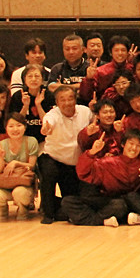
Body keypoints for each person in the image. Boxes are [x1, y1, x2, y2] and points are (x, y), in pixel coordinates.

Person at [63, 129, 140, 226]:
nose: (134, 148)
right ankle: (101, 220)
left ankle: (89, 219)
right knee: (67, 202)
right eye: (131, 143)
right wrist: (91, 152)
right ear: (123, 144)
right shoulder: (108, 163)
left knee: (121, 205)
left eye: (138, 145)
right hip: (106, 200)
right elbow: (83, 172)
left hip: (126, 203)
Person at [38, 85, 93, 223]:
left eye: (70, 98)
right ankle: (48, 214)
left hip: (74, 164)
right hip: (54, 158)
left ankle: (58, 209)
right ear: (57, 103)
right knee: (48, 172)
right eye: (62, 100)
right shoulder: (52, 115)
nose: (67, 102)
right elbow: (47, 124)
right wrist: (46, 129)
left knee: (70, 199)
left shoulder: (85, 111)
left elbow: (95, 121)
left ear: (75, 99)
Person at [0, 113, 38, 220]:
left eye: (19, 125)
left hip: (24, 183)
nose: (15, 129)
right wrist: (0, 157)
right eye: (11, 126)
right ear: (6, 128)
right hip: (5, 184)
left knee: (20, 193)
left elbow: (32, 166)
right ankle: (2, 210)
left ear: (25, 127)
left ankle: (23, 210)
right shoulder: (0, 145)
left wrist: (16, 163)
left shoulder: (31, 141)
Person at [8, 64, 54, 144]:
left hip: (46, 140)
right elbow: (16, 124)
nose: (33, 79)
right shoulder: (18, 96)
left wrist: (38, 105)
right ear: (24, 80)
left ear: (42, 79)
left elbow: (48, 124)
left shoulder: (49, 95)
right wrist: (25, 106)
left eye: (37, 76)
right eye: (30, 76)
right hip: (23, 139)